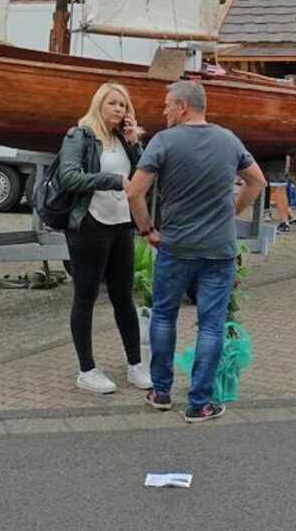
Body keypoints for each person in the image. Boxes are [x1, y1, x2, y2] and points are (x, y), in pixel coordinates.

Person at [126, 80, 266, 423]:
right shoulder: (229, 140)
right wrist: (232, 210)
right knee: (211, 326)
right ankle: (199, 404)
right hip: (219, 250)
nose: (164, 111)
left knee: (163, 316)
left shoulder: (164, 141)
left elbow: (134, 192)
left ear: (183, 106)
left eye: (167, 105)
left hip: (175, 246)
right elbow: (257, 181)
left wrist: (146, 230)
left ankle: (161, 392)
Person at [51, 82, 147, 394]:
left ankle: (135, 364)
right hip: (89, 223)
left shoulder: (122, 139)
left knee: (124, 297)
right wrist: (112, 180)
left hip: (121, 223)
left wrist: (134, 143)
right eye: (113, 103)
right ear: (99, 105)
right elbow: (69, 176)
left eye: (123, 104)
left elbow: (141, 175)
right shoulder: (79, 135)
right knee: (86, 296)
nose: (118, 109)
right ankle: (87, 370)